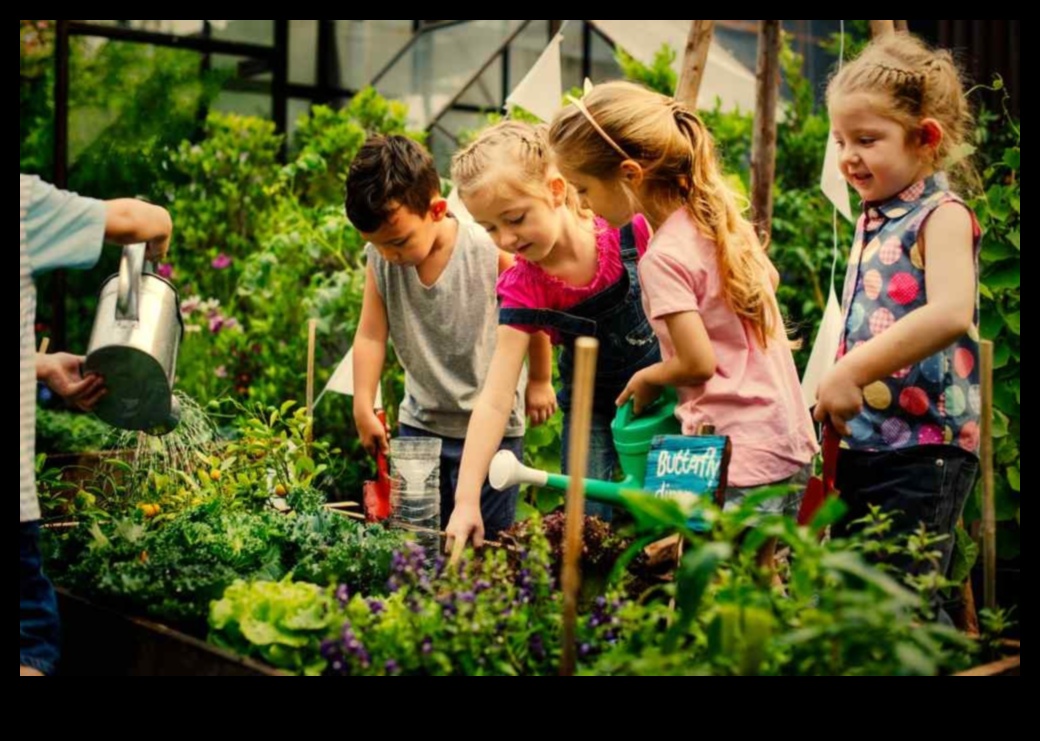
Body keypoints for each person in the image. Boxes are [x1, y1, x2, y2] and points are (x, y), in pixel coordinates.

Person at [549, 82, 818, 569]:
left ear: (630, 174)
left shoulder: (664, 258)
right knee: (764, 584)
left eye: (584, 189)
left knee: (719, 589)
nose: (584, 206)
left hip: (737, 454)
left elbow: (697, 362)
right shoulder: (716, 221)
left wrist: (649, 376)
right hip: (785, 435)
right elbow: (768, 280)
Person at [816, 34, 982, 589]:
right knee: (860, 596)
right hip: (868, 441)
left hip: (923, 449)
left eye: (866, 139)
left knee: (902, 600)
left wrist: (849, 371)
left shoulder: (942, 215)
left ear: (926, 138)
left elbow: (952, 312)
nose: (848, 157)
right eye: (840, 140)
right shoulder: (875, 217)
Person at [446, 121, 660, 549]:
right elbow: (494, 398)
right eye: (489, 228)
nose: (505, 239)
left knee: (673, 515)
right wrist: (466, 500)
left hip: (668, 396)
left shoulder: (627, 229)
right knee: (584, 528)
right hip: (592, 408)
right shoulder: (525, 286)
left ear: (558, 190)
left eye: (515, 218)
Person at [347, 135, 552, 543]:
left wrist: (541, 380)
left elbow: (533, 315)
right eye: (376, 245)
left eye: (399, 241)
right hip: (420, 426)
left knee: (485, 546)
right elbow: (371, 335)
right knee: (416, 542)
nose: (389, 254)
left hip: (493, 430)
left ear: (437, 210)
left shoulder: (487, 251)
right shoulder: (382, 262)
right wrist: (362, 401)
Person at [20, 173, 173, 676]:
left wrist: (42, 367)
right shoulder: (23, 203)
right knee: (28, 640)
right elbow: (132, 220)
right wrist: (161, 222)